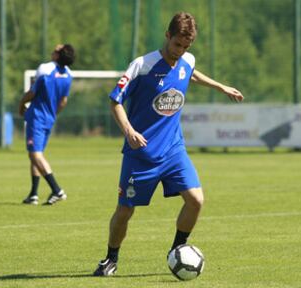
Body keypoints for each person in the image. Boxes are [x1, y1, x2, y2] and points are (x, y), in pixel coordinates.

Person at [93, 12, 244, 276]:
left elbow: (191, 73)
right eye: (177, 45)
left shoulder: (186, 60)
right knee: (125, 210)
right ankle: (110, 258)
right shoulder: (142, 65)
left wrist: (221, 87)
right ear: (167, 36)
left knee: (196, 200)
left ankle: (178, 250)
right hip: (141, 153)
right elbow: (115, 101)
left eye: (186, 47)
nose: (181, 51)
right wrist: (129, 131)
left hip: (174, 150)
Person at [19, 44, 75, 205]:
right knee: (36, 155)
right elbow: (63, 101)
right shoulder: (68, 75)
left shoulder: (45, 69)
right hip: (49, 118)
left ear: (58, 55)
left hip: (37, 117)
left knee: (35, 154)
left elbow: (31, 93)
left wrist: (21, 103)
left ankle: (57, 190)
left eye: (56, 50)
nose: (53, 50)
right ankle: (33, 194)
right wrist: (53, 113)